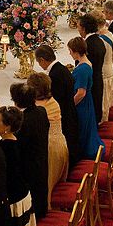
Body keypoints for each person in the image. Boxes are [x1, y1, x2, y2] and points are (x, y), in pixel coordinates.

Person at [0, 107, 36, 226]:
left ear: (7, 126)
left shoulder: (2, 150)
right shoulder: (18, 143)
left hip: (14, 200)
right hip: (23, 196)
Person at [26, 72, 68, 204]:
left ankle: (47, 210)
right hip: (61, 143)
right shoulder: (52, 101)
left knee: (47, 185)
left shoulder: (39, 108)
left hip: (49, 149)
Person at [9, 83, 49, 219]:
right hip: (41, 160)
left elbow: (17, 145)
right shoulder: (42, 112)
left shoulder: (23, 122)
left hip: (29, 167)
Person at [67, 36, 104, 159]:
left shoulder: (83, 68)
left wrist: (70, 106)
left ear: (76, 51)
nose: (70, 53)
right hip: (87, 102)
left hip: (82, 104)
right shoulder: (85, 63)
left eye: (70, 51)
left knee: (82, 130)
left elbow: (81, 93)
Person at [76, 14, 106, 120]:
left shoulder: (87, 46)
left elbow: (83, 68)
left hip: (90, 86)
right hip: (98, 81)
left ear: (84, 29)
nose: (78, 30)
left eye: (78, 27)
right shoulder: (99, 40)